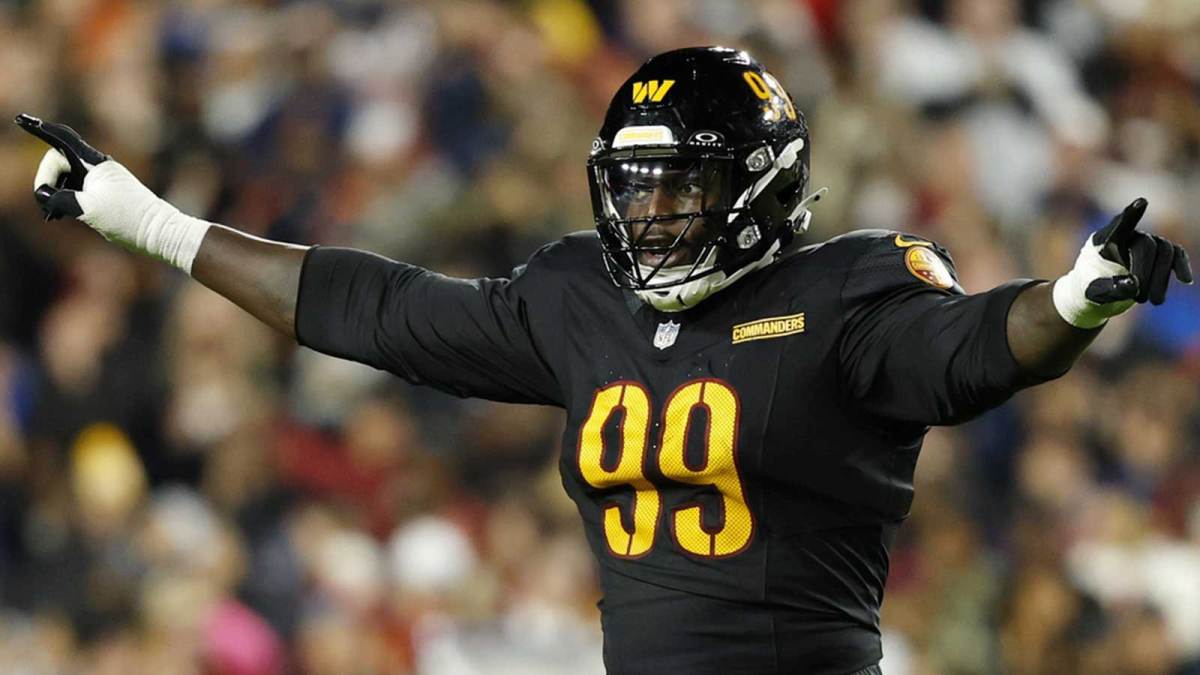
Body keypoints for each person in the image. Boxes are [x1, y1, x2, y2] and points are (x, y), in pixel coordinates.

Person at [17, 47, 1191, 675]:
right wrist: (149, 222)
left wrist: (1076, 296)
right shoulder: (580, 295)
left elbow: (975, 351)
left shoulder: (847, 291)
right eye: (636, 186)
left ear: (760, 189)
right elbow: (375, 307)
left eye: (681, 186)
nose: (654, 214)